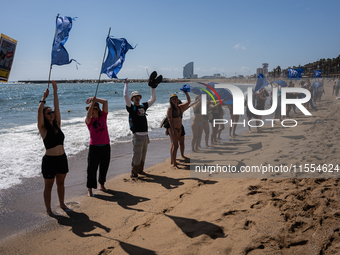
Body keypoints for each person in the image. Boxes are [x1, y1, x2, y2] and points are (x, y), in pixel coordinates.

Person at [37, 80, 69, 216]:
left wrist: (55, 92)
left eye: (52, 112)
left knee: (61, 183)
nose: (51, 114)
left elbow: (57, 106)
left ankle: (62, 204)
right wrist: (44, 98)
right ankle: (49, 210)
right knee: (48, 186)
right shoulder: (43, 129)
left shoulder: (57, 124)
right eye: (48, 113)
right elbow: (39, 111)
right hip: (49, 161)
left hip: (62, 158)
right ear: (44, 116)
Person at [124, 78, 158, 178]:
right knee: (136, 155)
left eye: (138, 96)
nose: (137, 98)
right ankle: (134, 173)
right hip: (137, 135)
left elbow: (153, 99)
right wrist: (126, 84)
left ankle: (140, 170)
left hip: (145, 135)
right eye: (134, 97)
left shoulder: (143, 106)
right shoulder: (131, 108)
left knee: (143, 155)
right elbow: (125, 95)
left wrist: (153, 88)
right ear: (132, 99)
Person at [85, 96, 110, 197]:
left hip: (105, 146)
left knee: (104, 167)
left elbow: (105, 102)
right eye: (90, 110)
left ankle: (102, 185)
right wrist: (92, 104)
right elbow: (88, 116)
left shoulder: (103, 116)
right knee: (91, 169)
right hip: (94, 147)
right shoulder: (88, 121)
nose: (91, 112)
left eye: (93, 109)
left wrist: (93, 99)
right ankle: (90, 189)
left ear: (97, 110)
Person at [167, 93, 190, 168]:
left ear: (177, 99)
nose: (174, 100)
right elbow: (169, 120)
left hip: (180, 128)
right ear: (171, 100)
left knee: (179, 144)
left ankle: (176, 159)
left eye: (175, 98)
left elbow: (189, 102)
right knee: (175, 145)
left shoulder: (180, 107)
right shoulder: (170, 108)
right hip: (173, 129)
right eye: (173, 99)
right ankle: (174, 163)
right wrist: (173, 130)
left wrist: (186, 93)